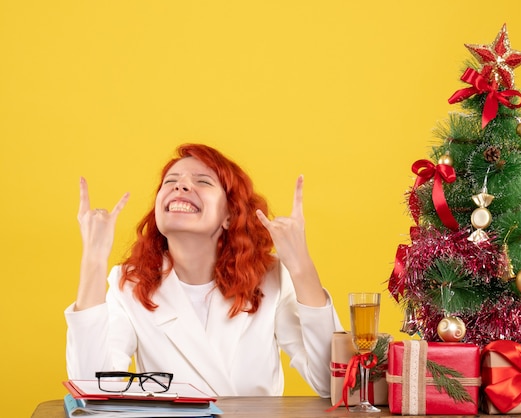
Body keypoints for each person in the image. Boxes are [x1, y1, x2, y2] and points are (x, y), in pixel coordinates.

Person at [65, 143, 343, 397]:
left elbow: (334, 383)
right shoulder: (130, 283)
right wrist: (94, 259)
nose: (180, 187)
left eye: (202, 181)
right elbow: (93, 388)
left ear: (229, 215)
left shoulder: (270, 277)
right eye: (170, 182)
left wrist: (300, 266)